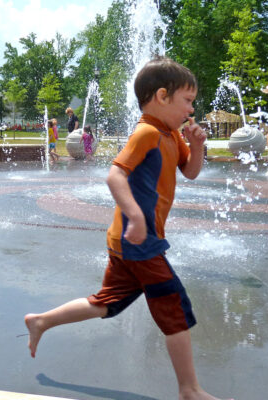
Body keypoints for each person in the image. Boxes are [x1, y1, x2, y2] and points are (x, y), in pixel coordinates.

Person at [25, 57, 229, 400]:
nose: (191, 109)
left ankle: (41, 320)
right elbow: (115, 174)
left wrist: (197, 147)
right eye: (188, 101)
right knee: (175, 308)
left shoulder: (171, 135)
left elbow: (191, 172)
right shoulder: (147, 132)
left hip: (128, 240)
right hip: (140, 239)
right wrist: (135, 216)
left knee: (109, 301)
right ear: (162, 96)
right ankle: (190, 390)